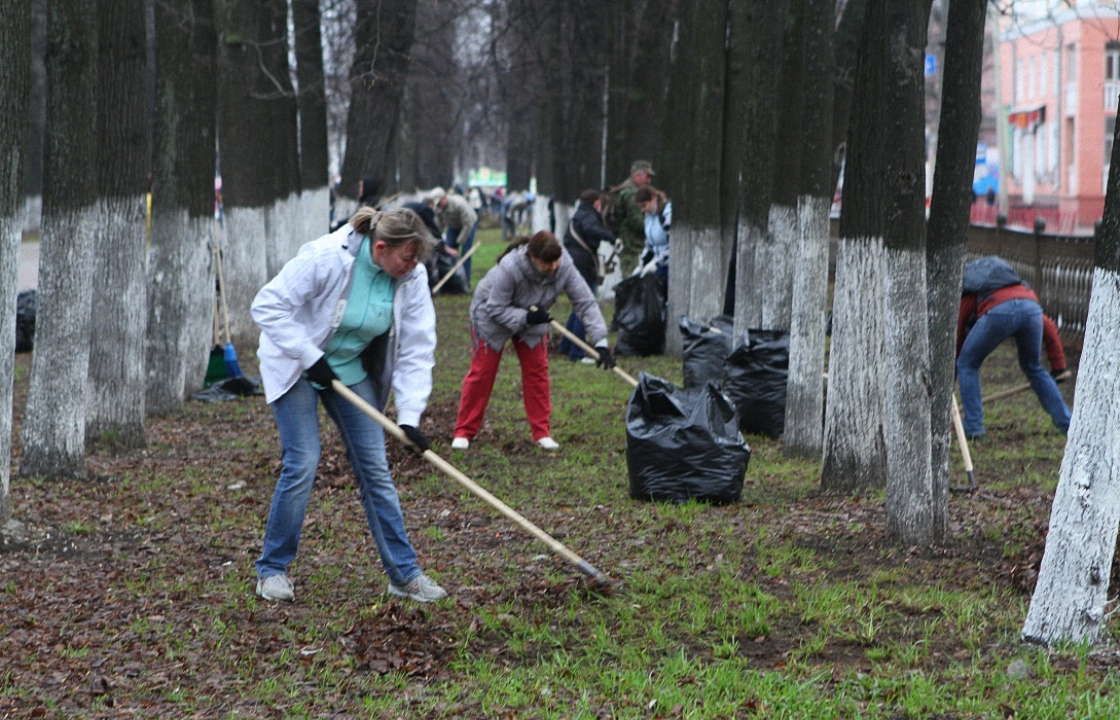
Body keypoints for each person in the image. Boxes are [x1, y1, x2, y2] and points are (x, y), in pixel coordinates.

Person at [251, 207, 448, 604]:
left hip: (346, 368)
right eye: (406, 258)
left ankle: (403, 574)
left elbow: (416, 347)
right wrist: (308, 355)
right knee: (304, 460)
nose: (412, 267)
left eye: (417, 260)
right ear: (379, 247)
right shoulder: (327, 257)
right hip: (295, 362)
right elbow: (266, 304)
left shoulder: (411, 278)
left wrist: (409, 417)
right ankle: (272, 570)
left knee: (375, 467)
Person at [451, 231, 616, 451]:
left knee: (537, 372)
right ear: (533, 258)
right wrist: (525, 317)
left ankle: (541, 432)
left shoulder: (564, 264)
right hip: (491, 316)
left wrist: (601, 341)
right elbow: (495, 308)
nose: (554, 266)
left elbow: (585, 302)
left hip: (535, 315)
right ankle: (464, 432)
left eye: (556, 260)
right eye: (547, 263)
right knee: (482, 373)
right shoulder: (510, 267)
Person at [956, 255, 1071, 440]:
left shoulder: (969, 291)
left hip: (997, 312)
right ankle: (1068, 423)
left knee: (967, 364)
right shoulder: (1020, 289)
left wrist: (954, 373)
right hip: (1031, 311)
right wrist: (1058, 366)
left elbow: (959, 330)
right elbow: (1048, 326)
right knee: (1033, 367)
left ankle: (973, 427)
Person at [559, 189, 616, 363]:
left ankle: (566, 345)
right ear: (596, 202)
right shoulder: (589, 215)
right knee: (585, 304)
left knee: (578, 305)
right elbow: (591, 229)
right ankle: (577, 351)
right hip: (583, 263)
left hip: (574, 260)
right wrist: (611, 237)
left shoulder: (579, 213)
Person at [607, 160, 655, 275]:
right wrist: (654, 230)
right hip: (630, 244)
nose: (649, 180)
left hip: (627, 242)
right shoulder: (631, 193)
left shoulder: (625, 188)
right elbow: (637, 222)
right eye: (647, 176)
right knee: (631, 279)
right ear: (636, 176)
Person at [429, 187, 480, 286]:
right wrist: (439, 239)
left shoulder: (459, 205)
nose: (439, 206)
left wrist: (459, 241)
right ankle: (451, 280)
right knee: (448, 250)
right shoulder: (439, 209)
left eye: (439, 203)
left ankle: (465, 281)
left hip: (468, 225)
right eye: (437, 204)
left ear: (444, 198)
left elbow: (468, 224)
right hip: (453, 226)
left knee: (465, 253)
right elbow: (439, 225)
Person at [634, 185, 671, 284]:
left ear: (654, 198)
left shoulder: (667, 215)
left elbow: (675, 246)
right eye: (640, 207)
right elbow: (649, 244)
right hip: (661, 265)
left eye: (644, 205)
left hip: (671, 265)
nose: (642, 210)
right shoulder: (648, 216)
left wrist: (657, 263)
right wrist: (642, 265)